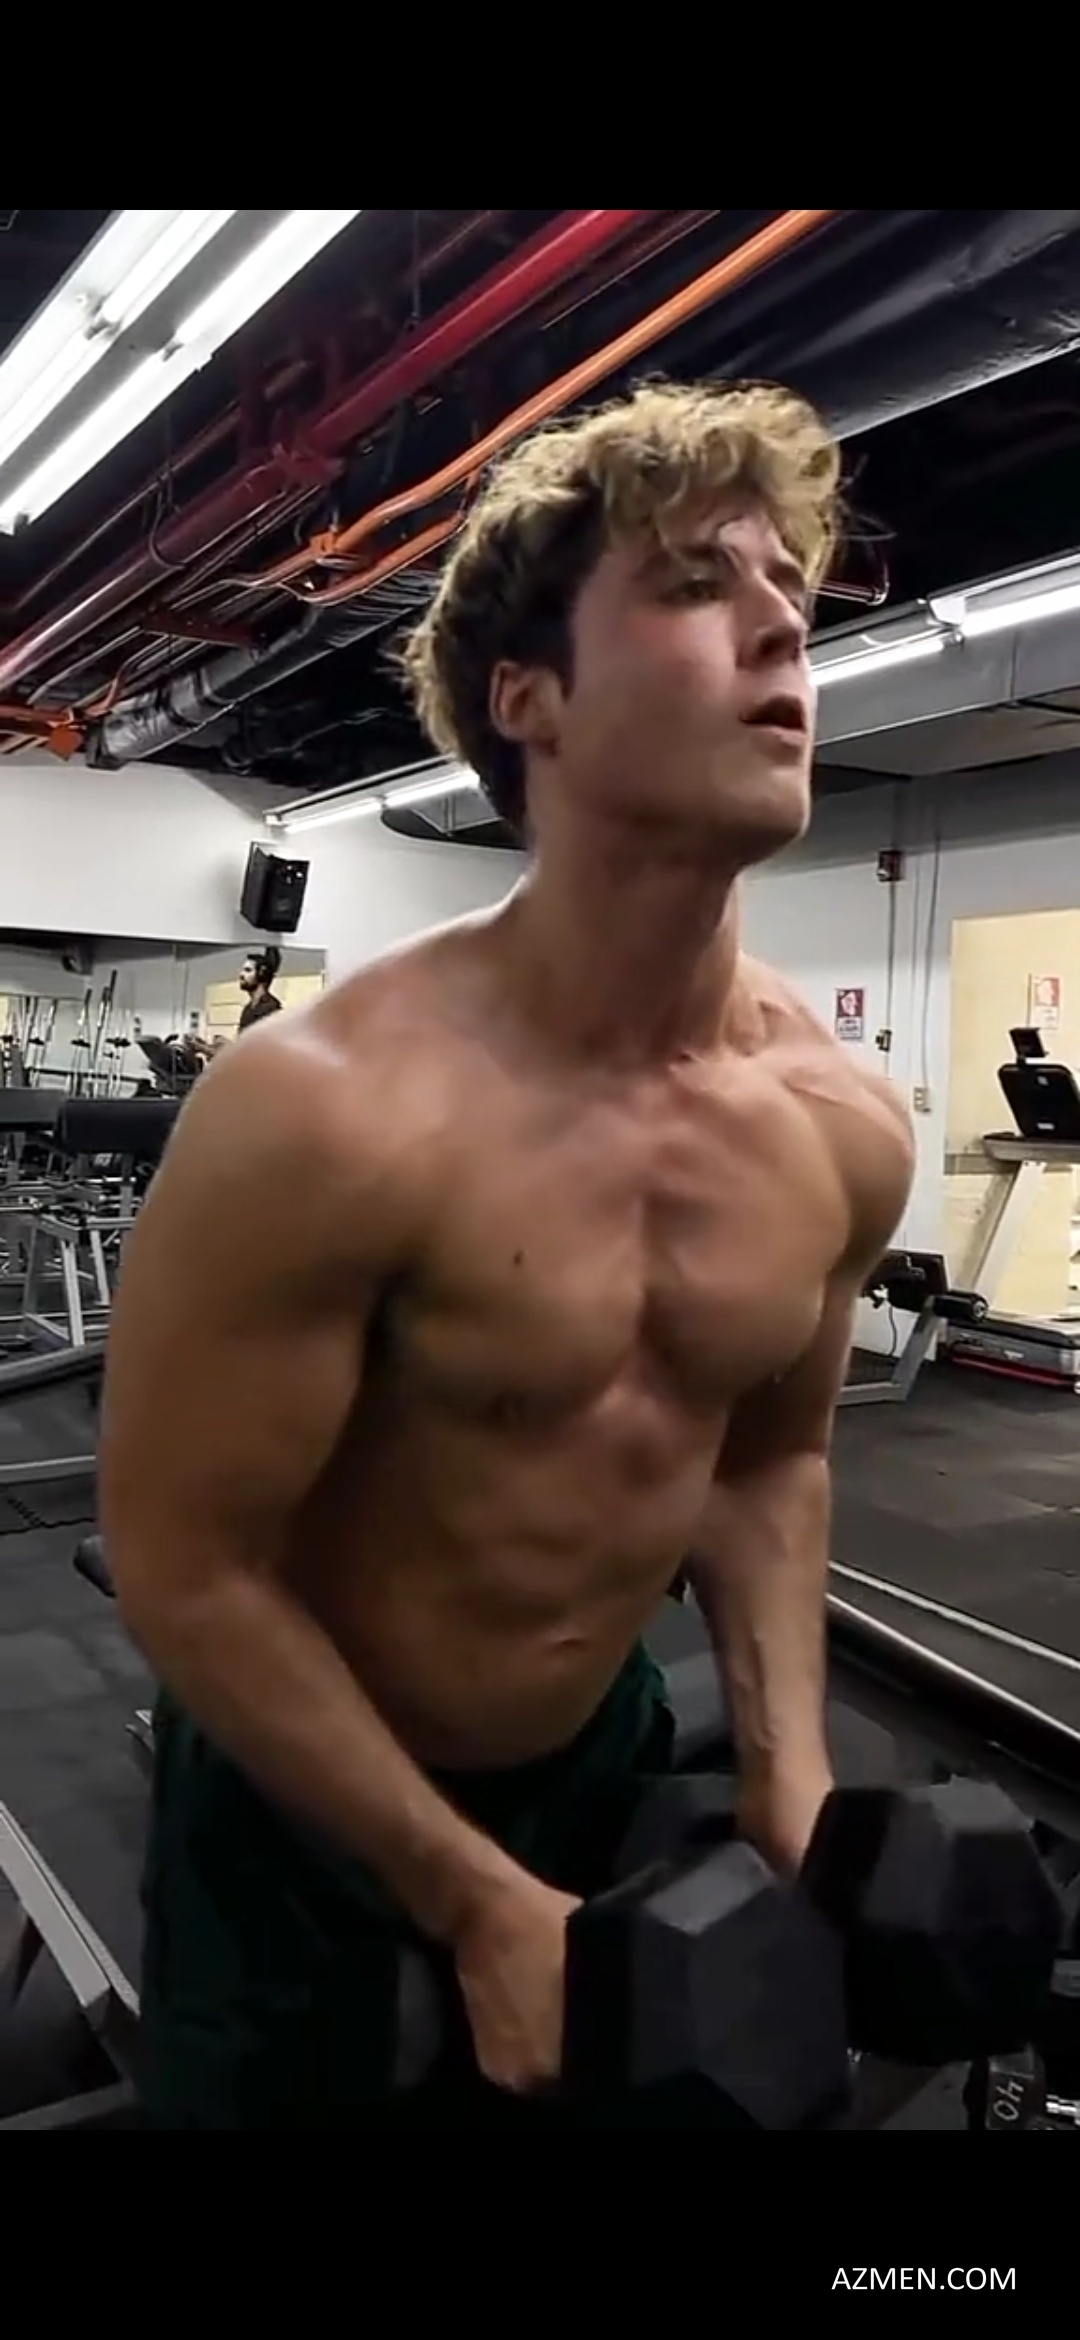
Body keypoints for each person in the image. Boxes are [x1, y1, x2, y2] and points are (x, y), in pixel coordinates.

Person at [100, 377, 914, 2130]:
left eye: (788, 586)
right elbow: (183, 1560)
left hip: (600, 1765)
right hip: (293, 1817)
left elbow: (767, 1463)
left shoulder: (839, 1119)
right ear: (526, 698)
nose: (784, 621)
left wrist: (789, 1777)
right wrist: (467, 1899)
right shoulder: (324, 1110)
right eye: (696, 583)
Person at [237, 946, 283, 1033]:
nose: (241, 975)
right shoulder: (248, 1009)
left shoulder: (271, 1008)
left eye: (248, 970)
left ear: (261, 974)